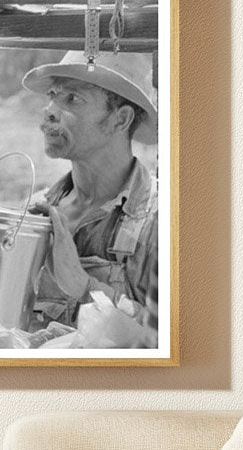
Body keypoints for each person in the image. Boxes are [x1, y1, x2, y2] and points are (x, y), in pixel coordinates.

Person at [19, 50, 159, 339]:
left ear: (121, 119)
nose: (50, 110)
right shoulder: (34, 212)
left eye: (72, 99)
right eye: (53, 95)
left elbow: (178, 342)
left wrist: (84, 287)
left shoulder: (162, 223)